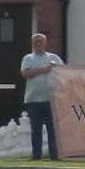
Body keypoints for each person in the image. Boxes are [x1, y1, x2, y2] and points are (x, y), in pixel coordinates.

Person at [19, 32, 65, 160]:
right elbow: (25, 73)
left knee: (53, 129)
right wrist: (43, 70)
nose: (38, 44)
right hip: (33, 99)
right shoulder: (28, 58)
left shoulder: (53, 58)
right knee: (36, 129)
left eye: (40, 41)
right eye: (36, 42)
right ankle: (36, 155)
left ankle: (55, 155)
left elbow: (63, 72)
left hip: (51, 99)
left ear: (45, 43)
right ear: (33, 44)